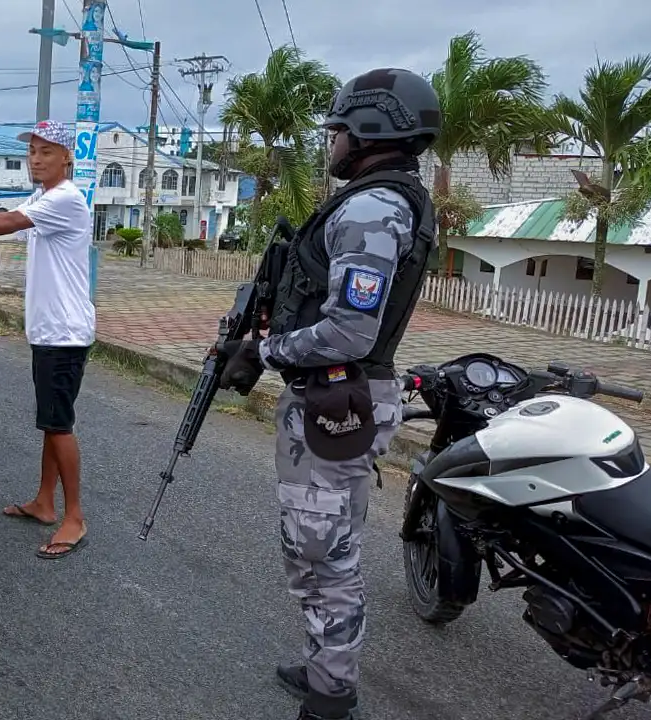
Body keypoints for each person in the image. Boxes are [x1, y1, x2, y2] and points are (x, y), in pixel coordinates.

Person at [216, 69, 441, 720]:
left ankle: (332, 696)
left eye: (338, 130)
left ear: (372, 129)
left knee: (324, 555)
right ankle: (326, 668)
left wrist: (264, 351)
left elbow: (347, 329)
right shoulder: (378, 199)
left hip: (339, 400)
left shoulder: (373, 208)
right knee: (318, 547)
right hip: (336, 400)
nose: (331, 142)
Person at [0, 120, 95, 560]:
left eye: (47, 151)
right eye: (32, 151)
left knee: (59, 423)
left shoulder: (65, 199)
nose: (36, 158)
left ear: (67, 157)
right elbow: (7, 215)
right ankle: (46, 502)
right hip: (51, 331)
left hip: (65, 333)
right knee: (50, 419)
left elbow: (6, 222)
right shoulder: (43, 198)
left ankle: (74, 516)